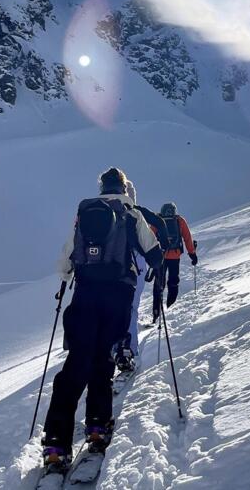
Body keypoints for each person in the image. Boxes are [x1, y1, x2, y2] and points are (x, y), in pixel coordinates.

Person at [41, 167, 163, 471]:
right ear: (123, 186)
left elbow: (66, 257)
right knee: (104, 361)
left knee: (76, 363)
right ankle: (97, 428)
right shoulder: (130, 211)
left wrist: (66, 279)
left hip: (84, 295)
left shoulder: (85, 211)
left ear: (101, 187)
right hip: (117, 294)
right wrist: (159, 267)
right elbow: (152, 250)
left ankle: (56, 442)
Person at [111, 180, 169, 373]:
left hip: (110, 267)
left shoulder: (107, 211)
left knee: (112, 307)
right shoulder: (137, 212)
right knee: (131, 307)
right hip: (136, 264)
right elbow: (159, 225)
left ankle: (112, 346)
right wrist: (160, 255)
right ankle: (129, 349)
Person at [151, 202, 198, 322]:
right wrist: (192, 253)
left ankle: (156, 312)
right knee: (173, 281)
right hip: (174, 255)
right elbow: (187, 238)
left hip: (161, 256)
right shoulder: (179, 220)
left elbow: (150, 237)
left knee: (158, 283)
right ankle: (171, 307)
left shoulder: (158, 220)